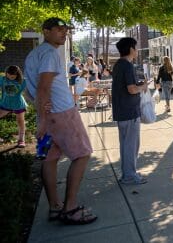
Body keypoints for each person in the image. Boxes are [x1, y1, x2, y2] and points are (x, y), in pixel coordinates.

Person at [24, 17, 96, 225]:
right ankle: (70, 208)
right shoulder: (49, 53)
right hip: (62, 113)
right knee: (82, 154)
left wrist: (41, 114)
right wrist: (44, 119)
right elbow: (43, 87)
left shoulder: (34, 54)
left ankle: (55, 207)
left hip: (49, 114)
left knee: (50, 158)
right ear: (46, 31)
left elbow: (31, 89)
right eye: (59, 30)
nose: (64, 33)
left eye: (66, 30)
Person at [112, 37, 149, 185]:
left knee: (126, 145)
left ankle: (128, 173)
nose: (137, 50)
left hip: (122, 111)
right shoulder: (127, 65)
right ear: (131, 49)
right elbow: (132, 89)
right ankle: (129, 176)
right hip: (129, 111)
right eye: (136, 47)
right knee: (131, 146)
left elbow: (127, 86)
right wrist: (143, 87)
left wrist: (138, 84)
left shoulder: (119, 65)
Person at [0, 65, 28, 147]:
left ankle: (21, 140)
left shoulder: (22, 81)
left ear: (17, 74)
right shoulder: (2, 80)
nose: (12, 77)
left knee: (20, 121)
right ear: (6, 73)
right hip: (5, 103)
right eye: (10, 75)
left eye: (14, 76)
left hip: (18, 104)